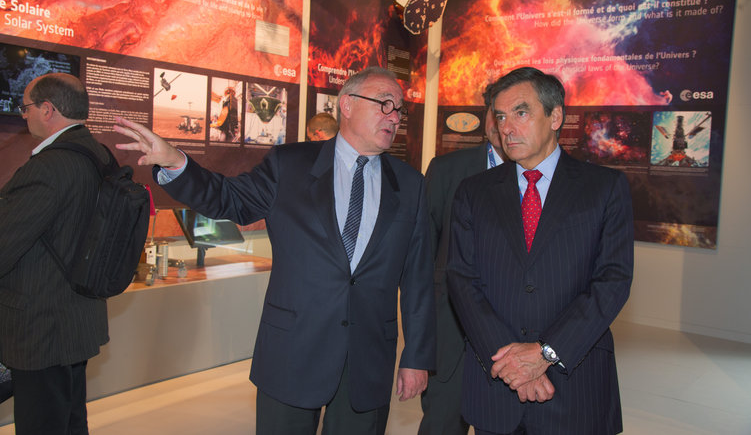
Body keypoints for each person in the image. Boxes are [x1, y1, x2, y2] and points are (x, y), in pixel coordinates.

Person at [113, 66, 435, 435]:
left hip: (368, 360)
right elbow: (229, 200)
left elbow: (418, 280)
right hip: (292, 351)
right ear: (346, 104)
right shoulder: (290, 165)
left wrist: (417, 358)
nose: (394, 117)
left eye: (399, 110)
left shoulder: (410, 184)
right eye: (384, 104)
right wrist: (175, 162)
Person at [447, 67, 633, 435]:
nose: (507, 128)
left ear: (556, 116)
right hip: (496, 382)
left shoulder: (604, 188)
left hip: (575, 383)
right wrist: (513, 364)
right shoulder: (473, 192)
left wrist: (545, 352)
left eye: (521, 112)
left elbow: (612, 281)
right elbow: (462, 279)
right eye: (500, 116)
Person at [0, 73, 110, 434]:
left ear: (48, 110)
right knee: (69, 419)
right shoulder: (98, 156)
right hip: (75, 317)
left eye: (26, 107)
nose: (23, 115)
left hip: (40, 326)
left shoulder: (48, 167)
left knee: (42, 423)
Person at [419, 93, 504, 435]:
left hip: (512, 345)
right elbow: (422, 255)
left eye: (516, 112)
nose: (502, 122)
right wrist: (420, 337)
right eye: (495, 113)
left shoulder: (542, 177)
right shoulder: (446, 170)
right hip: (450, 339)